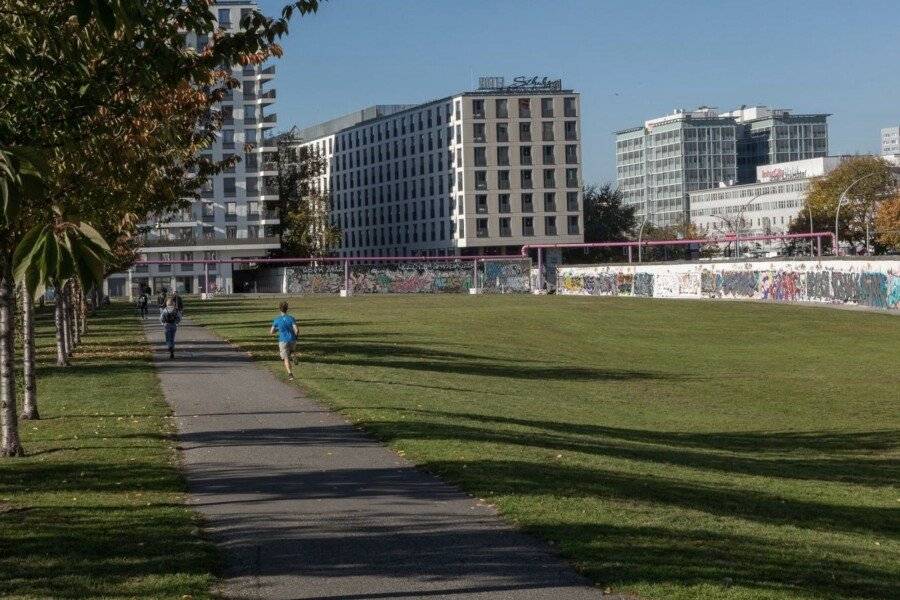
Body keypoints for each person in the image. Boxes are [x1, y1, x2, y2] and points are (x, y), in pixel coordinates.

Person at [270, 301, 299, 380]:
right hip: (292, 339)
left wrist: (278, 329)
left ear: (279, 309)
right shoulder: (291, 318)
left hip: (283, 341)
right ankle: (293, 354)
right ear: (287, 309)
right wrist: (296, 337)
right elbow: (296, 330)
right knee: (292, 350)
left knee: (286, 358)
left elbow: (271, 332)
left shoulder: (277, 320)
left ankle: (290, 374)